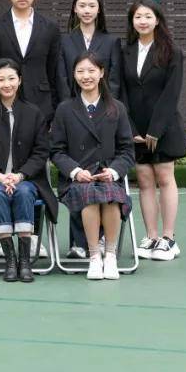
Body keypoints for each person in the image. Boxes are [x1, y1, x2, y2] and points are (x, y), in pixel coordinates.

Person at [0, 59, 57, 283]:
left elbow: (41, 152)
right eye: (1, 79)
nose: (7, 84)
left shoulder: (34, 113)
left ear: (20, 80)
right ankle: (10, 260)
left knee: (24, 192)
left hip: (26, 178)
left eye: (11, 78)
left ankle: (25, 260)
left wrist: (20, 175)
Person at [50, 52, 136, 280]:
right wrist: (76, 171)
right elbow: (56, 151)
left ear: (101, 73)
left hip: (108, 176)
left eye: (91, 70)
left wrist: (114, 171)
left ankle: (111, 256)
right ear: (74, 75)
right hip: (76, 180)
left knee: (111, 195)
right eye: (80, 71)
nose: (86, 76)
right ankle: (94, 256)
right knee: (90, 195)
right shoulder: (65, 109)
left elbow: (127, 150)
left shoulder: (116, 108)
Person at [57, 0, 123, 259]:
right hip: (74, 117)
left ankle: (104, 242)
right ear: (75, 8)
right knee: (77, 173)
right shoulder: (64, 41)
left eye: (92, 5)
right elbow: (61, 78)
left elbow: (115, 80)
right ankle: (78, 242)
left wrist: (106, 109)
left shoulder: (111, 41)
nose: (86, 10)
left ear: (99, 10)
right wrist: (70, 110)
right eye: (82, 5)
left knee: (100, 177)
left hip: (102, 114)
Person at [121, 0, 186, 262]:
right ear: (132, 21)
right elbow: (121, 91)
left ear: (157, 20)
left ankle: (168, 239)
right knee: (144, 180)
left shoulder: (172, 51)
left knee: (164, 177)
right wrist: (130, 128)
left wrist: (155, 130)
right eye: (138, 17)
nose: (143, 21)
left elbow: (172, 94)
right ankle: (151, 237)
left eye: (148, 16)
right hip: (135, 129)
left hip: (163, 127)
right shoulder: (124, 51)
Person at [0, 0, 62, 123]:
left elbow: (54, 68)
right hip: (4, 101)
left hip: (42, 102)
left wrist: (55, 107)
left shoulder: (50, 27)